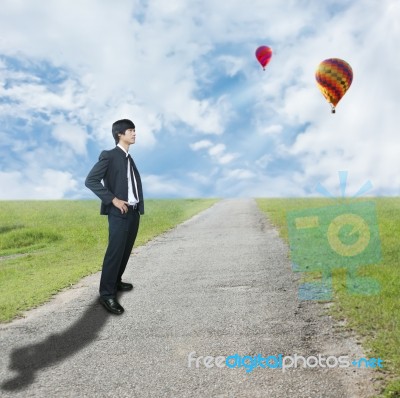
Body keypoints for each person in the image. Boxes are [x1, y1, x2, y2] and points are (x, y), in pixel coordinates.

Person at [85, 119, 144, 315]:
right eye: (130, 130)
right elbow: (91, 180)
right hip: (119, 213)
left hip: (133, 212)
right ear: (120, 134)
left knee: (125, 251)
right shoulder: (109, 155)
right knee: (115, 252)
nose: (134, 134)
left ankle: (116, 281)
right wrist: (113, 200)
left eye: (134, 130)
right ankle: (106, 294)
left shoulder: (129, 158)